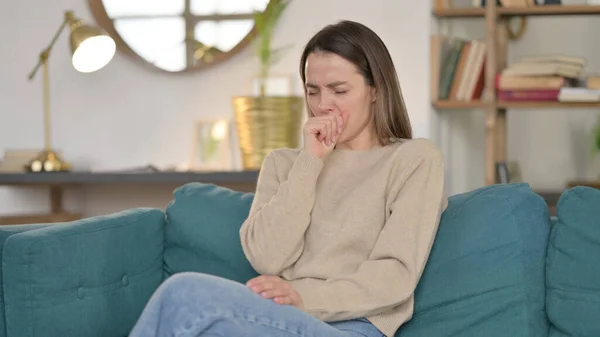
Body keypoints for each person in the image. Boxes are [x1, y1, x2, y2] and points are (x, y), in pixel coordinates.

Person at [129, 20, 447, 337]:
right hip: (277, 319)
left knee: (184, 292)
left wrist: (303, 297)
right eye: (313, 91)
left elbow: (394, 276)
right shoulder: (284, 164)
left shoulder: (414, 159)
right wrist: (310, 161)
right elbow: (266, 257)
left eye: (339, 90)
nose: (323, 105)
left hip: (353, 328)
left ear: (375, 90)